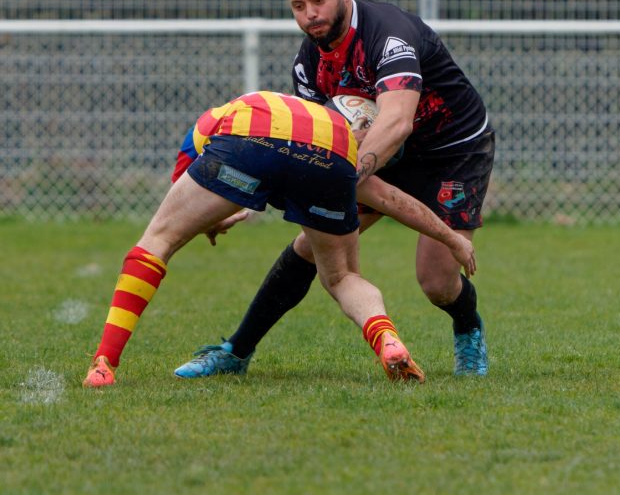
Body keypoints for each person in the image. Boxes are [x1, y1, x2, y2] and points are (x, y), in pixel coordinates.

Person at [173, 0, 495, 379]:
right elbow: (308, 148)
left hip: (451, 151)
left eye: (319, 0)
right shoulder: (308, 65)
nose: (310, 15)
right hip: (376, 155)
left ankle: (468, 326)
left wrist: (343, 176)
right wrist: (246, 202)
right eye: (298, 6)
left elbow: (396, 121)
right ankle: (236, 351)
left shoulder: (388, 35)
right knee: (313, 247)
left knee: (436, 282)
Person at [83, 90, 475, 388]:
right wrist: (453, 240)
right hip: (326, 164)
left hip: (249, 140)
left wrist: (205, 222)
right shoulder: (344, 142)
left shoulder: (258, 106)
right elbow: (392, 200)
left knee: (157, 242)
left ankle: (104, 364)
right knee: (341, 278)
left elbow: (189, 166)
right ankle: (387, 340)